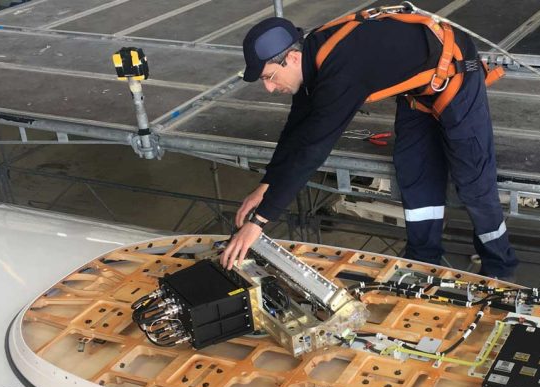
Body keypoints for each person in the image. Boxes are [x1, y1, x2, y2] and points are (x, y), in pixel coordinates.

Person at [220, 8, 518, 279]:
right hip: (419, 91)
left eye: (270, 77)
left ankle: (499, 267)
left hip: (455, 76)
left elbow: (313, 151)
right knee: (416, 173)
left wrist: (259, 222)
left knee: (473, 181)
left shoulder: (339, 72)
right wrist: (266, 184)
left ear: (292, 58)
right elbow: (297, 130)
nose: (270, 88)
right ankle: (424, 263)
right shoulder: (313, 57)